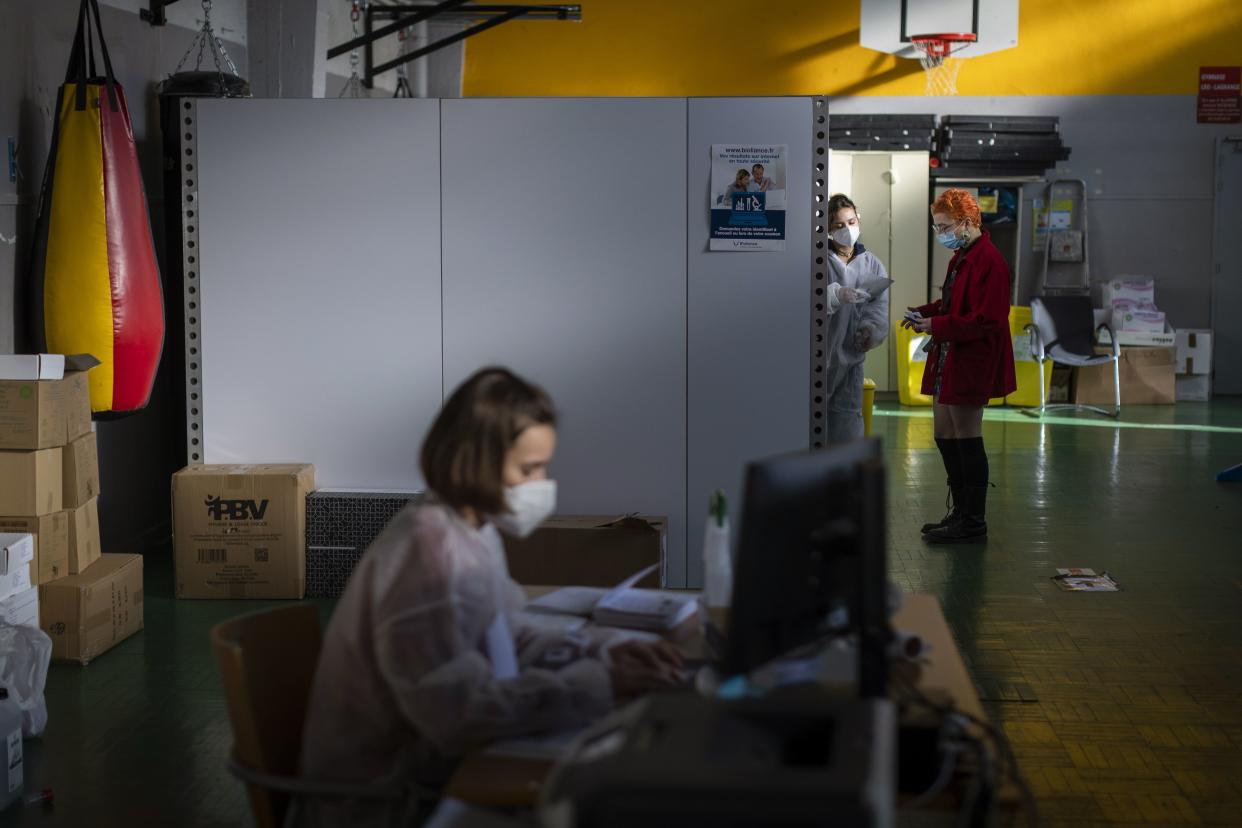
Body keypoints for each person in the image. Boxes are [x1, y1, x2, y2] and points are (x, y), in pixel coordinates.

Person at [297, 367, 683, 825]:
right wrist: (596, 683)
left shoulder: (469, 527)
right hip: (389, 803)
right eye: (529, 469)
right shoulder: (430, 550)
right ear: (476, 461)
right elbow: (457, 715)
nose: (542, 484)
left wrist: (605, 651)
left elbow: (505, 634)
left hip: (428, 776)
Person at [902, 189, 1016, 543]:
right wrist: (925, 312)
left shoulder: (990, 262)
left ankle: (973, 521)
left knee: (968, 437)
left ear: (967, 223)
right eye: (937, 226)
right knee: (944, 434)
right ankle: (959, 513)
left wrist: (936, 326)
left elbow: (987, 321)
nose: (941, 233)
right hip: (950, 355)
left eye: (945, 226)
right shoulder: (961, 256)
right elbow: (951, 303)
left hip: (972, 358)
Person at [823, 194, 889, 442]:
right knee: (811, 422)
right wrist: (836, 295)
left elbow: (877, 307)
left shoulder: (872, 264)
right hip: (817, 358)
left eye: (851, 222)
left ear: (858, 220)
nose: (847, 230)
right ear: (829, 229)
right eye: (839, 225)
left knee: (847, 422)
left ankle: (843, 478)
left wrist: (869, 330)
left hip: (851, 360)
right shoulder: (818, 261)